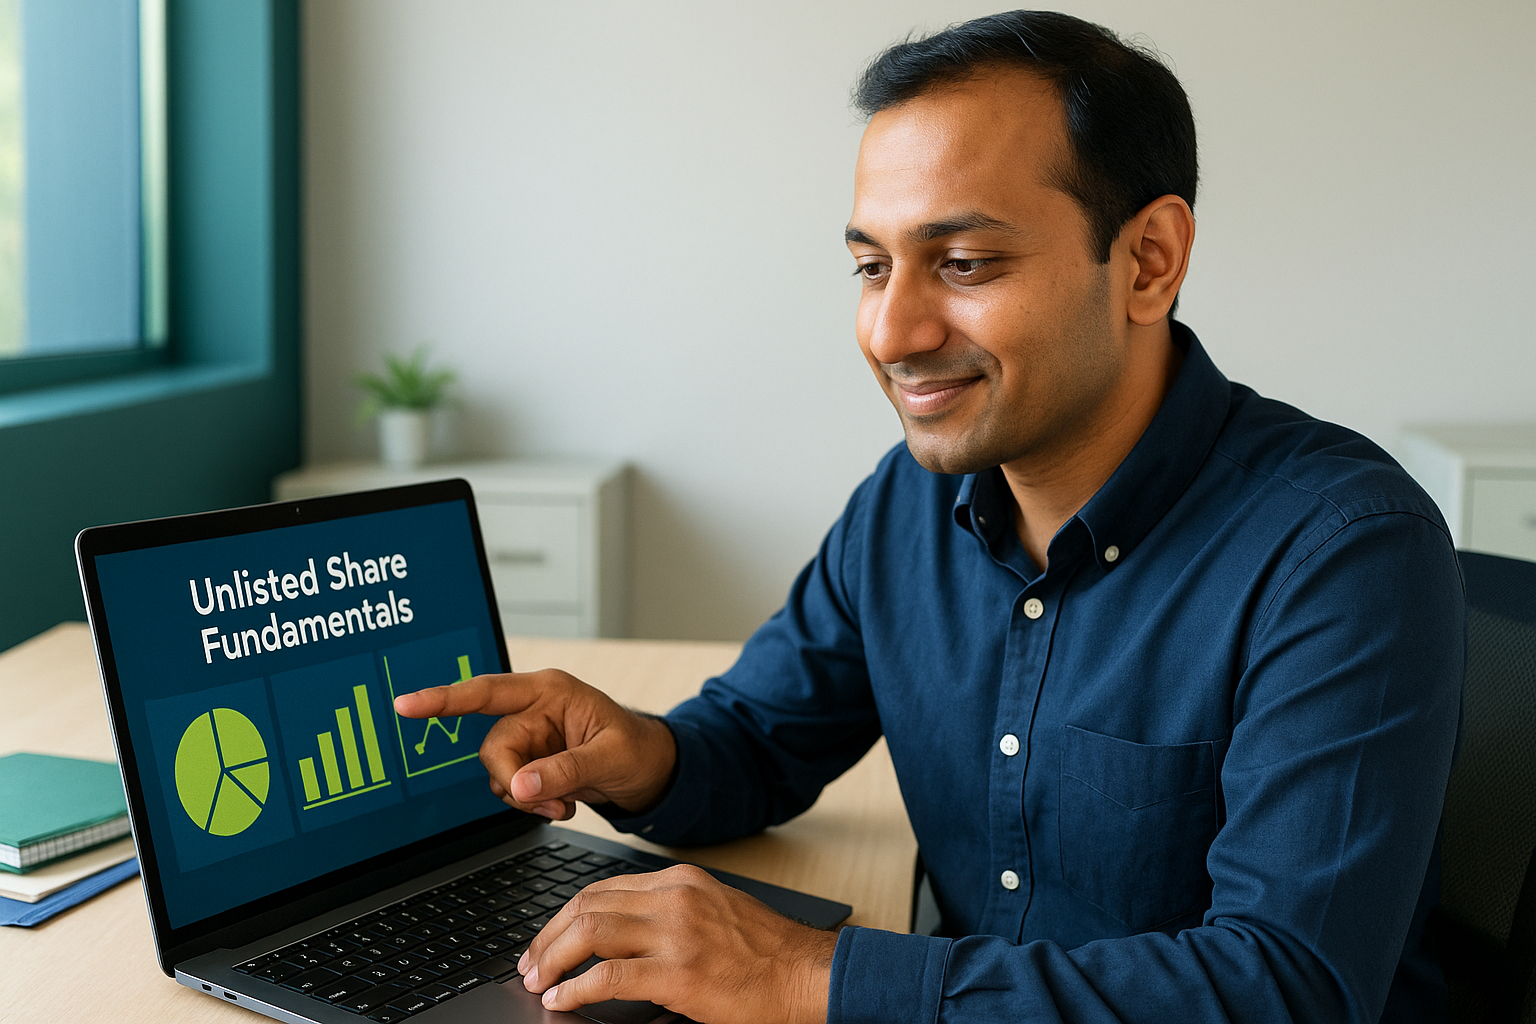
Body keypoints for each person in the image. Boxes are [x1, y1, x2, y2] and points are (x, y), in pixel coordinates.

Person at [396, 11, 1463, 1023]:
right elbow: (765, 740)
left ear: (1148, 261)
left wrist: (805, 970)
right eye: (871, 266)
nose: (892, 332)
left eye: (963, 264)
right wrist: (645, 755)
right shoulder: (909, 503)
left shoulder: (1344, 550)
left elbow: (1284, 989)